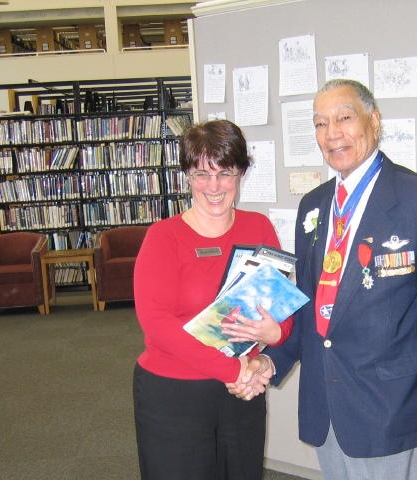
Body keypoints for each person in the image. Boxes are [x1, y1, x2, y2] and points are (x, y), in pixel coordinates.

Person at [229, 79, 417, 480]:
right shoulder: (315, 206)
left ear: (373, 121)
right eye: (321, 124)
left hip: (390, 406)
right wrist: (272, 358)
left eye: (344, 118)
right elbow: (308, 305)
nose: (332, 134)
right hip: (326, 401)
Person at [132, 119, 293, 480]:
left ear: (241, 174)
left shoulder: (259, 228)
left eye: (226, 173)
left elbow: (281, 309)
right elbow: (157, 326)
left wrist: (273, 337)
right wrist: (235, 371)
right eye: (202, 174)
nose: (214, 186)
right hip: (176, 394)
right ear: (187, 176)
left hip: (242, 394)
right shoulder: (164, 237)